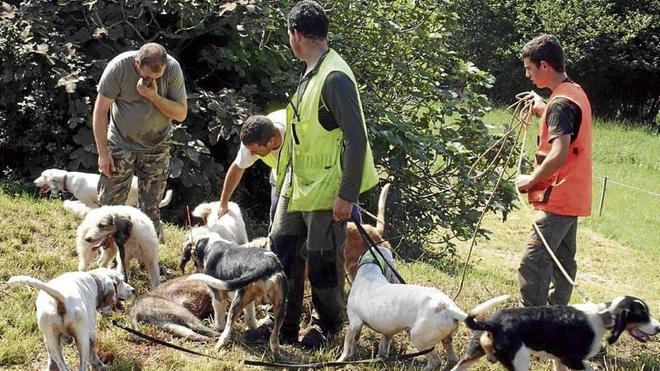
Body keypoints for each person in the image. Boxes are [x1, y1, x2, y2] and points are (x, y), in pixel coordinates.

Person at [269, 0, 379, 348]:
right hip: (297, 185)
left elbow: (356, 138)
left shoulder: (334, 77)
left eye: (290, 35)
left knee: (322, 262)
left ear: (296, 34)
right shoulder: (311, 72)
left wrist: (347, 194)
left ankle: (328, 326)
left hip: (328, 187)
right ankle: (281, 324)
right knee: (281, 248)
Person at [516, 34, 593, 307]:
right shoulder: (573, 93)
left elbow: (559, 153)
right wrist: (542, 108)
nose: (528, 75)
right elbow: (563, 118)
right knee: (562, 263)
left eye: (529, 68)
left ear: (544, 66)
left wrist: (530, 180)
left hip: (558, 197)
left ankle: (534, 326)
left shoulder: (560, 104)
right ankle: (559, 321)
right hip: (574, 195)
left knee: (534, 261)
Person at [93, 43, 187, 241]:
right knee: (109, 205)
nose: (152, 80)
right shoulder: (118, 68)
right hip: (120, 144)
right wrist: (103, 153)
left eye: (156, 77)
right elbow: (100, 111)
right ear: (137, 64)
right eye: (147, 76)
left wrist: (153, 96)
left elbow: (180, 114)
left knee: (151, 206)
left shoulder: (172, 69)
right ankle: (106, 255)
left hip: (157, 146)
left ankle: (149, 256)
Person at [218, 110, 286, 222]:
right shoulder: (252, 142)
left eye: (255, 151)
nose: (251, 154)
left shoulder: (295, 134)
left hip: (306, 175)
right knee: (277, 221)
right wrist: (223, 204)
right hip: (279, 175)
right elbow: (237, 168)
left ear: (272, 141)